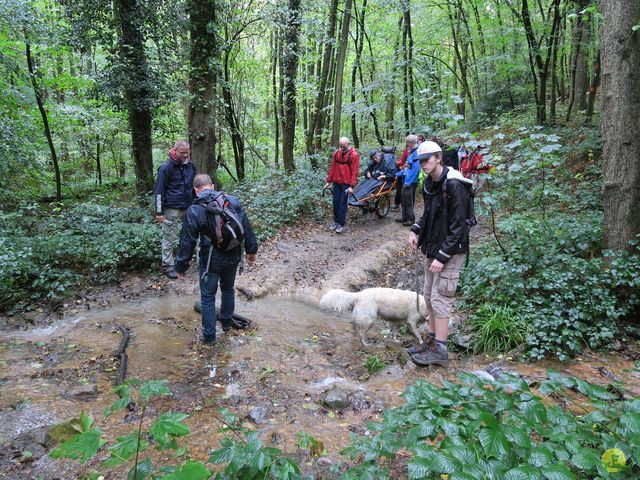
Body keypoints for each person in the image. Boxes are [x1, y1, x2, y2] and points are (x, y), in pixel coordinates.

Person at [406, 141, 474, 367]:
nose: (423, 164)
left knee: (440, 297)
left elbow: (459, 227)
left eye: (427, 160)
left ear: (438, 158)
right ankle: (432, 341)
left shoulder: (454, 184)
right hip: (433, 248)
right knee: (428, 296)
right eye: (420, 161)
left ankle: (441, 350)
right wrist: (416, 230)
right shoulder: (429, 184)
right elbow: (428, 214)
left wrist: (443, 256)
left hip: (451, 251)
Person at [175, 174, 258, 344]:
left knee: (207, 297)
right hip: (233, 255)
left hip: (210, 259)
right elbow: (246, 227)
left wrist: (181, 266)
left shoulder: (195, 209)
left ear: (195, 190)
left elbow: (187, 240)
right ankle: (226, 324)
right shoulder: (232, 201)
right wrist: (251, 250)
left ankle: (210, 337)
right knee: (228, 289)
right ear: (212, 186)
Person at [154, 140, 197, 279]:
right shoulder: (165, 167)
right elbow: (159, 191)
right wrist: (159, 212)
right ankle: (168, 265)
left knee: (193, 235)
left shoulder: (191, 166)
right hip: (171, 208)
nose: (185, 155)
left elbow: (194, 187)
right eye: (182, 153)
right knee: (169, 237)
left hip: (190, 206)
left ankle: (193, 262)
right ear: (175, 150)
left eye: (187, 153)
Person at [324, 137, 360, 234]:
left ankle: (340, 224)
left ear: (348, 144)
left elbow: (355, 171)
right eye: (340, 146)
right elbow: (332, 168)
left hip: (346, 184)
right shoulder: (337, 153)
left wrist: (352, 186)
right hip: (337, 182)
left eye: (344, 146)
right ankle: (335, 222)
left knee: (342, 204)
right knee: (335, 203)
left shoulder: (354, 155)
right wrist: (328, 181)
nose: (342, 148)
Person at [395, 135, 419, 226]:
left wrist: (408, 182)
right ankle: (404, 217)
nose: (407, 144)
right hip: (406, 180)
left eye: (407, 142)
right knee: (403, 199)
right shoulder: (411, 152)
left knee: (408, 201)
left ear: (411, 143)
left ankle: (410, 219)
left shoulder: (416, 153)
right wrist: (398, 174)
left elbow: (415, 170)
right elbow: (407, 167)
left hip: (411, 182)